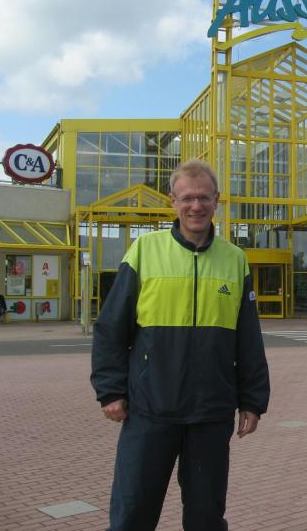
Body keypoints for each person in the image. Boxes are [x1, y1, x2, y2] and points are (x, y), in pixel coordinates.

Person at [90, 158, 270, 531]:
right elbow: (110, 328)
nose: (196, 206)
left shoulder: (235, 260)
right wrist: (110, 390)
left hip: (211, 412)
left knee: (206, 517)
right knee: (132, 514)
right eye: (187, 198)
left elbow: (248, 340)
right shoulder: (144, 251)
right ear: (173, 201)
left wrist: (252, 400)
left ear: (217, 200)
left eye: (204, 197)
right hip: (150, 408)